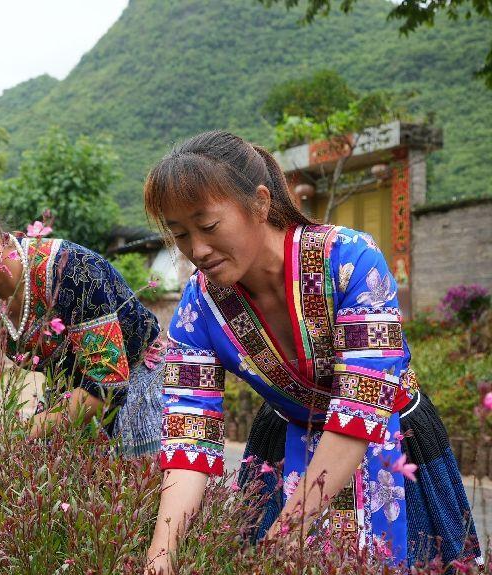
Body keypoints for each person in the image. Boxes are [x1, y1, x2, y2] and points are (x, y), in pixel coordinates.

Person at [142, 130, 482, 573]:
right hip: (285, 444)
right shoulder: (198, 308)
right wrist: (160, 555)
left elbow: (362, 406)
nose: (197, 251)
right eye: (180, 234)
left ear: (260, 203)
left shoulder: (350, 259)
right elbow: (189, 432)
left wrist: (287, 533)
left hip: (391, 443)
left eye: (207, 226)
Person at [0, 162, 164, 465]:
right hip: (71, 398)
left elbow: (107, 382)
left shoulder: (71, 270)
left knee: (141, 499)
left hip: (137, 382)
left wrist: (17, 431)